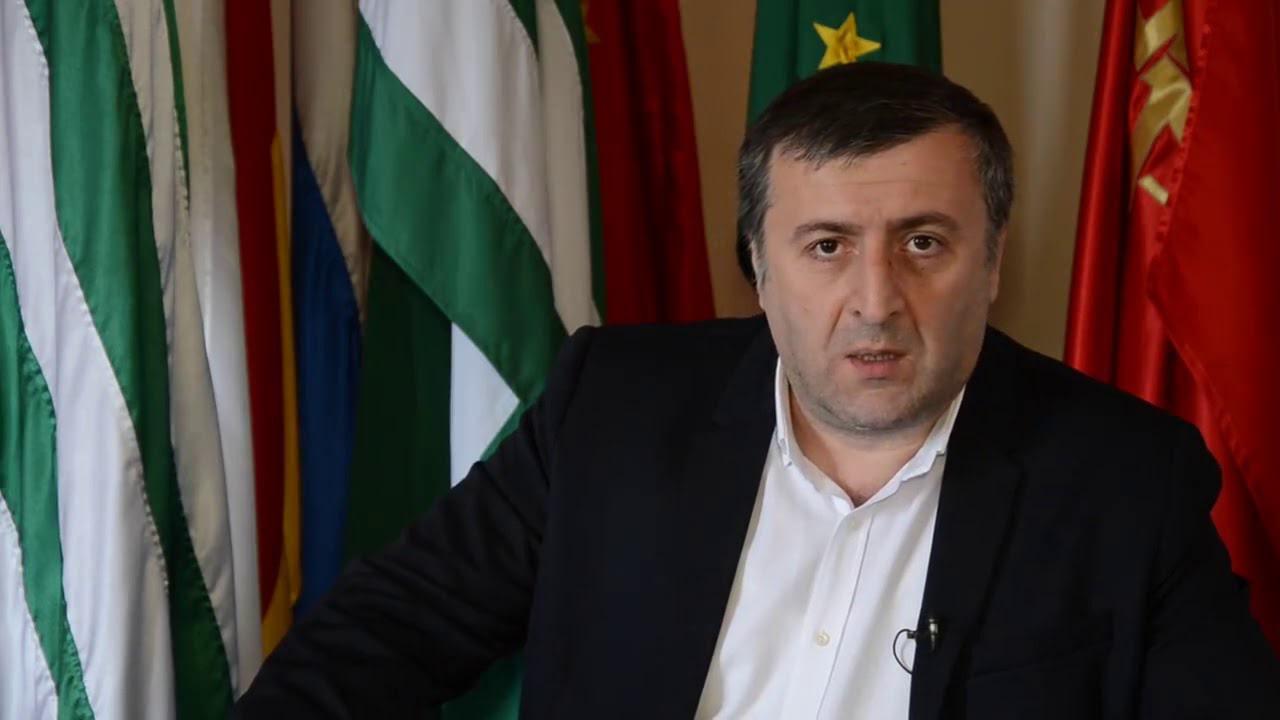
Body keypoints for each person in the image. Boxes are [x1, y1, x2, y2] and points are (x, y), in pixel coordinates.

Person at [235, 62, 1280, 719]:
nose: (876, 300)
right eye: (826, 246)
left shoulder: (1124, 481)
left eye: (924, 242)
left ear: (993, 259)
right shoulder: (612, 411)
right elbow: (385, 631)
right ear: (757, 267)